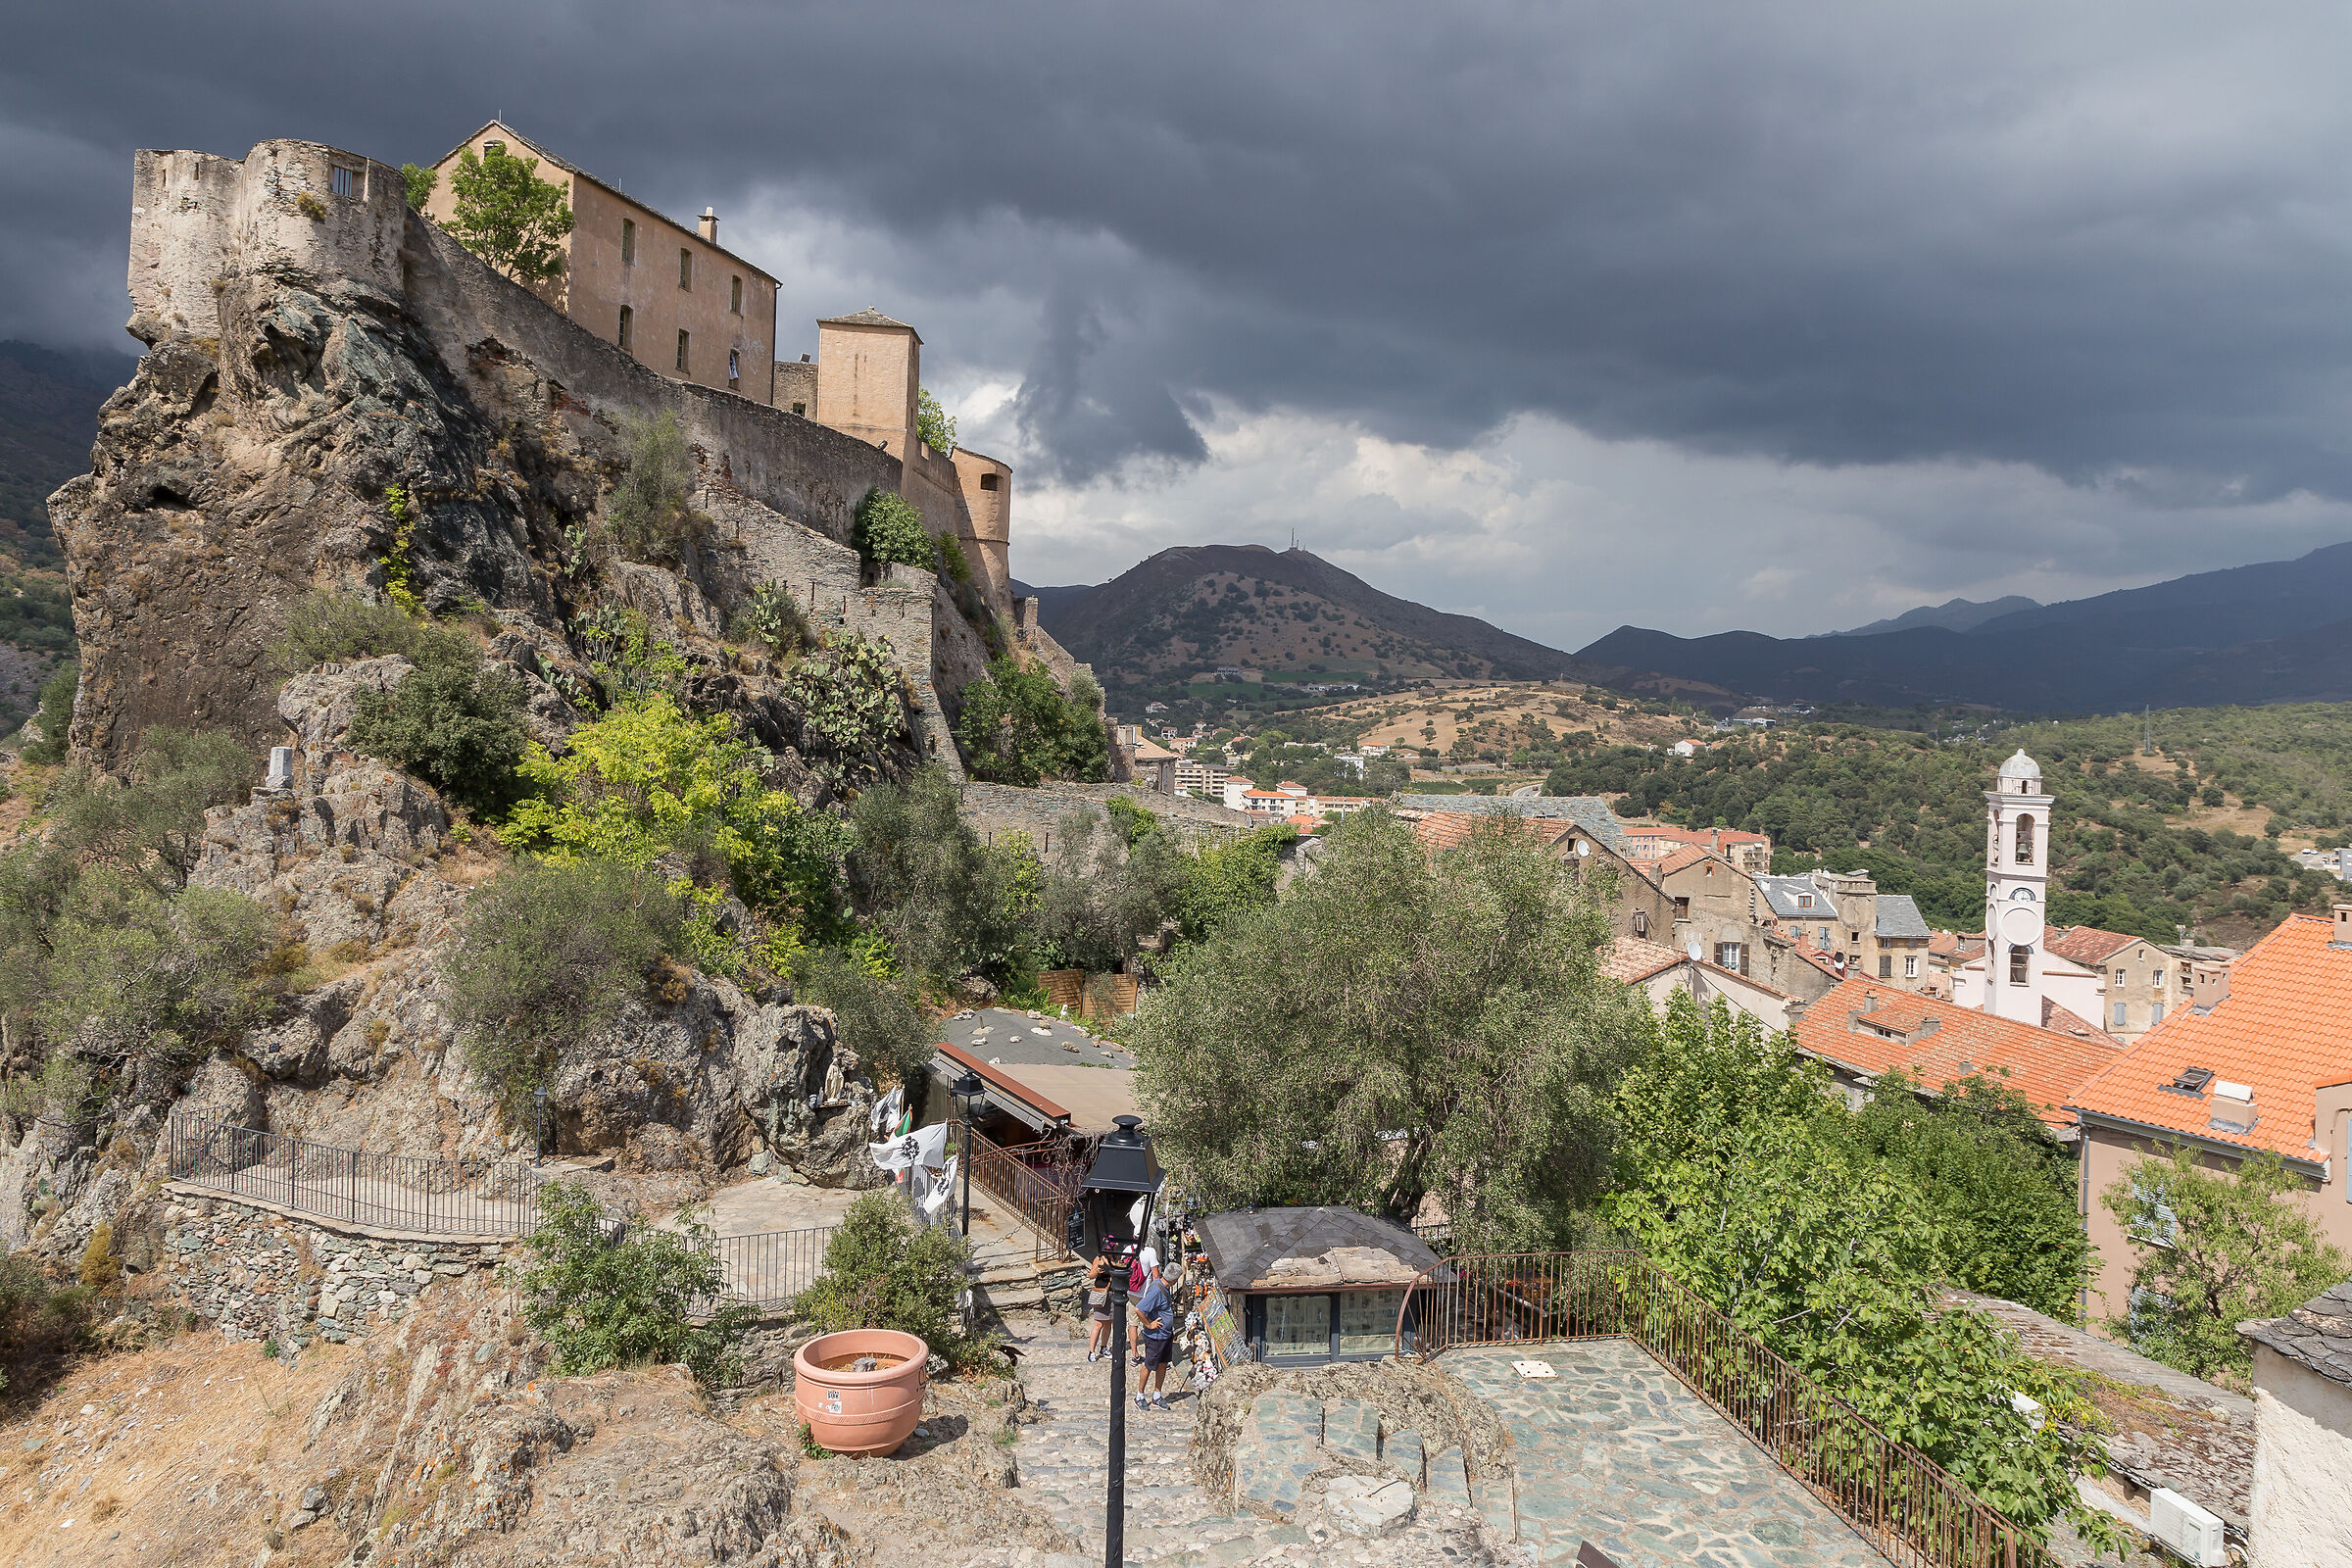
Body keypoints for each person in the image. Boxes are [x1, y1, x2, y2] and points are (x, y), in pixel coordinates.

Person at [1133, 1259, 1179, 1412]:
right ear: (1175, 1280)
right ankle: (1139, 1396)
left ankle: (1157, 1395)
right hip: (1155, 1336)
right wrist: (1149, 1324)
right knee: (1149, 1365)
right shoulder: (1156, 1290)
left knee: (1163, 1364)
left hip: (1165, 1335)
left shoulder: (1162, 1286)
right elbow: (1139, 1309)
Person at [1128, 1246, 1158, 1364]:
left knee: (1132, 1324)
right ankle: (1154, 1356)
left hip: (1131, 1291)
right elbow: (1155, 1275)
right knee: (1151, 1323)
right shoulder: (1150, 1251)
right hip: (1145, 1294)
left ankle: (1134, 1355)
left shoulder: (1127, 1250)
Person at [1085, 1255, 1114, 1362]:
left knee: (1108, 1322)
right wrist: (1097, 1271)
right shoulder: (1099, 1258)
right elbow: (1091, 1275)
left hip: (1111, 1293)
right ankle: (1091, 1352)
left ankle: (1104, 1347)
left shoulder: (1115, 1258)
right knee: (1098, 1324)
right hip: (1101, 1294)